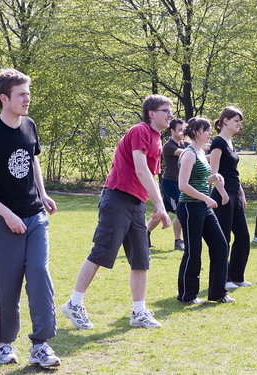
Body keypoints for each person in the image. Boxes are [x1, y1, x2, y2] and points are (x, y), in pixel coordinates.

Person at [0, 68, 60, 367]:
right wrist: (6, 215)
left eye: (28, 92)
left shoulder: (29, 125)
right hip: (2, 220)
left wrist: (42, 193)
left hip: (34, 217)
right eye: (22, 94)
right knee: (7, 284)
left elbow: (33, 161)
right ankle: (4, 343)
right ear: (4, 98)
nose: (27, 98)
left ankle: (41, 345)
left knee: (39, 275)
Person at [61, 94, 172, 330]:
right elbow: (141, 170)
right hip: (117, 197)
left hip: (136, 203)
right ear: (151, 113)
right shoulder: (140, 130)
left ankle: (138, 312)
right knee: (102, 251)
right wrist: (160, 205)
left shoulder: (157, 138)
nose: (170, 115)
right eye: (165, 110)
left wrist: (154, 201)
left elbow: (150, 176)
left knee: (141, 258)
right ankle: (74, 303)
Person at [177, 117, 235, 304]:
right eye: (207, 130)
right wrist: (206, 198)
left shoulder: (201, 152)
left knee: (220, 245)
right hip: (189, 207)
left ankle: (218, 293)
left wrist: (213, 177)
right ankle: (188, 295)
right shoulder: (189, 153)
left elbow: (199, 179)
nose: (210, 133)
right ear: (195, 132)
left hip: (202, 206)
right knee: (193, 252)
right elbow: (183, 185)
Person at [210, 106, 252, 290]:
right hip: (222, 195)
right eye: (236, 121)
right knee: (223, 237)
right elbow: (214, 173)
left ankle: (237, 276)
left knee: (243, 236)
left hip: (234, 193)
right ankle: (224, 278)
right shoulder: (218, 142)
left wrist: (241, 194)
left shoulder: (230, 142)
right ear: (225, 121)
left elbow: (234, 173)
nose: (239, 124)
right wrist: (224, 193)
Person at [147, 118, 189, 250]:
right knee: (181, 212)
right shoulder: (169, 146)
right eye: (180, 130)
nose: (182, 133)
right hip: (170, 184)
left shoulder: (185, 144)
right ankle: (178, 241)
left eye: (184, 130)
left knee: (161, 211)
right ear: (172, 131)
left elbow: (198, 148)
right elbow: (187, 154)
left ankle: (145, 234)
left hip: (180, 183)